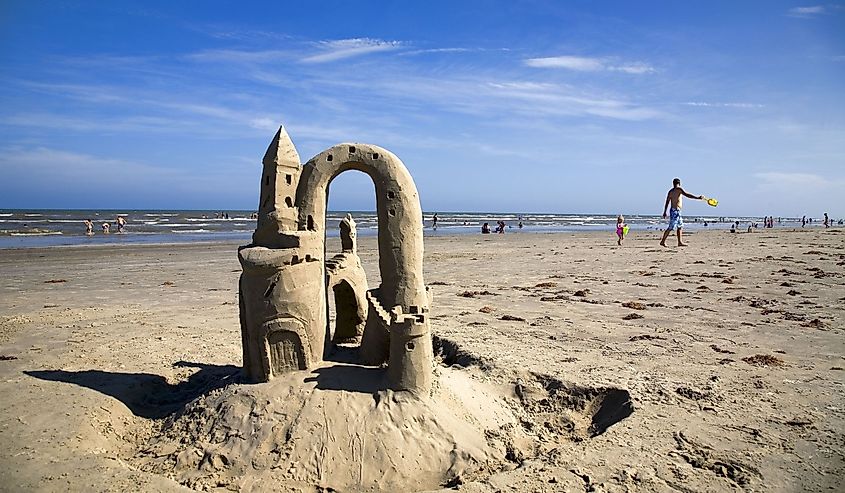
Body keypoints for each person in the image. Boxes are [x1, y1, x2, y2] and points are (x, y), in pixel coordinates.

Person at [660, 178, 704, 247]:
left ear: (673, 183)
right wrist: (697, 197)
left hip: (676, 211)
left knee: (680, 226)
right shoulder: (679, 189)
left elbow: (667, 202)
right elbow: (687, 195)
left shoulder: (670, 191)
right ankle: (663, 241)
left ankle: (680, 242)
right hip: (675, 211)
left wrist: (665, 211)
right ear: (679, 183)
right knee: (671, 227)